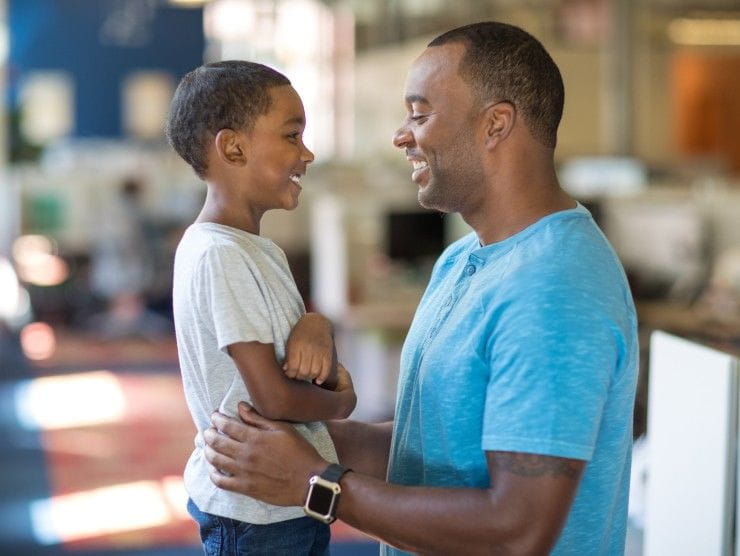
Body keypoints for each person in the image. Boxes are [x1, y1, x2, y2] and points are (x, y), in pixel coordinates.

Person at [202, 22, 638, 555]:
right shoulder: (462, 258)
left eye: (420, 113)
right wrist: (269, 442)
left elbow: (518, 529)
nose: (401, 135)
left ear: (496, 125)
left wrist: (317, 486)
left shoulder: (554, 286)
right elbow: (428, 451)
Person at [165, 60, 357, 555]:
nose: (307, 152)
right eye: (292, 136)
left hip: (283, 503)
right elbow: (273, 400)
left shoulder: (257, 249)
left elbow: (297, 360)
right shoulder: (220, 255)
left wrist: (316, 323)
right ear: (233, 147)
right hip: (254, 515)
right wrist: (341, 404)